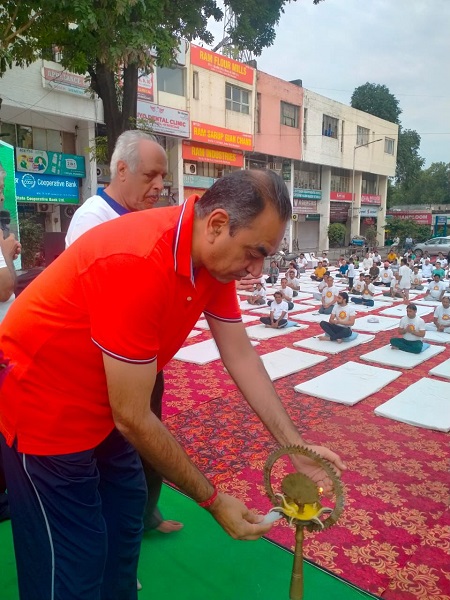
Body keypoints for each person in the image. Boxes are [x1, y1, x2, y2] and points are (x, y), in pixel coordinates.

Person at [0, 169, 346, 599]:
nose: (256, 269)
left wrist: (296, 450)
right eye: (255, 252)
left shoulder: (212, 261)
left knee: (126, 519)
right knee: (71, 558)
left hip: (106, 403)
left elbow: (240, 355)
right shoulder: (140, 259)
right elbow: (132, 416)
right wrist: (213, 500)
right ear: (218, 224)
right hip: (45, 406)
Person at [67, 131, 182, 541]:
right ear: (121, 170)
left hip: (142, 356)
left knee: (150, 444)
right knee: (117, 458)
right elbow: (104, 300)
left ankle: (145, 518)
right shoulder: (92, 219)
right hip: (105, 364)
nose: (158, 187)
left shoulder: (140, 217)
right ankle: (118, 538)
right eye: (151, 176)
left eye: (162, 178)